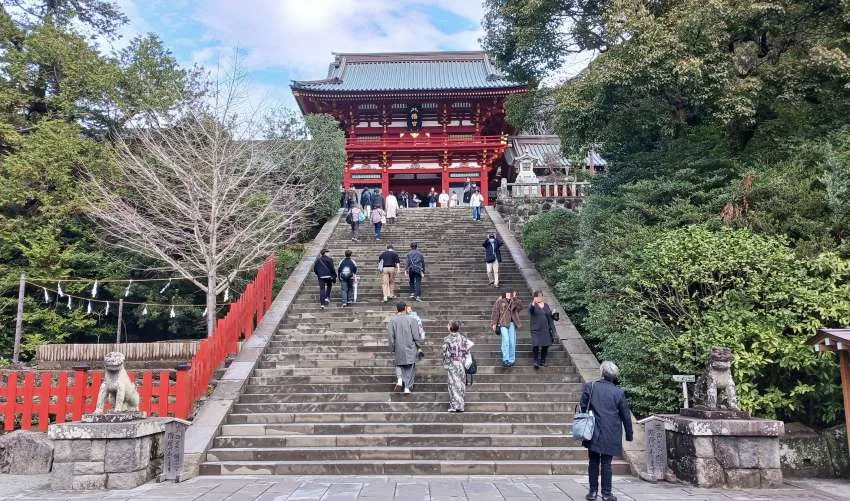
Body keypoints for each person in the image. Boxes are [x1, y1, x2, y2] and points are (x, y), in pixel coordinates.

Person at [581, 361, 634, 501]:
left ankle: (592, 493)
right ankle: (606, 494)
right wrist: (629, 434)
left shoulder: (590, 387)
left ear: (602, 372)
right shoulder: (618, 392)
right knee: (606, 463)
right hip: (611, 431)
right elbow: (625, 415)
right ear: (614, 376)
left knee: (593, 461)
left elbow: (582, 408)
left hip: (592, 430)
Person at [387, 302, 422, 394]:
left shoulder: (392, 321)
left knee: (398, 364)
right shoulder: (412, 320)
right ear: (405, 308)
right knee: (410, 366)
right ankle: (407, 387)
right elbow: (416, 335)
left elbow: (391, 336)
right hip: (410, 346)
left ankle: (399, 379)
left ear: (397, 309)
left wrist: (392, 347)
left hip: (398, 346)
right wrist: (419, 345)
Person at [441, 320, 474, 412]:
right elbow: (467, 351)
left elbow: (446, 354)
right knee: (461, 384)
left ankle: (455, 406)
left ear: (450, 328)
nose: (447, 326)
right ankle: (461, 405)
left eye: (448, 325)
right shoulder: (463, 338)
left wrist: (446, 365)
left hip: (452, 364)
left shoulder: (447, 339)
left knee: (453, 385)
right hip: (461, 364)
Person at [491, 290, 520, 367]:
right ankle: (505, 359)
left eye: (509, 293)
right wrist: (494, 323)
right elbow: (495, 311)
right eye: (507, 293)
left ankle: (511, 359)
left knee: (512, 341)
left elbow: (520, 308)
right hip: (503, 323)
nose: (508, 295)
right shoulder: (500, 301)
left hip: (512, 323)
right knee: (506, 340)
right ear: (504, 294)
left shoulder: (514, 300)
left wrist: (515, 299)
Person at [528, 291, 557, 368]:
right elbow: (531, 310)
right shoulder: (532, 305)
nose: (539, 298)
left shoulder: (546, 305)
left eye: (540, 296)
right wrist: (534, 303)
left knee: (545, 345)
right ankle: (535, 361)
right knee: (536, 344)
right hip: (535, 329)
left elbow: (549, 316)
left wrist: (553, 313)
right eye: (537, 296)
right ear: (534, 297)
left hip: (545, 328)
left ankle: (542, 361)